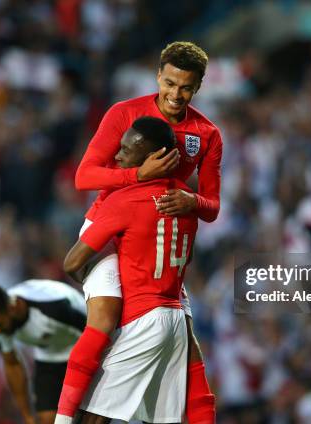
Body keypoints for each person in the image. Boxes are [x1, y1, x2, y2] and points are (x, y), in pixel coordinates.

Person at [57, 41, 219, 423]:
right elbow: (85, 175)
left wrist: (192, 202)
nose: (175, 94)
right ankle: (64, 418)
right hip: (110, 227)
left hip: (157, 234)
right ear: (158, 75)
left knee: (185, 338)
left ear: (198, 86)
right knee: (106, 319)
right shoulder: (124, 113)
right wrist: (136, 175)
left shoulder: (207, 133)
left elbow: (212, 206)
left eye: (186, 87)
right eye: (169, 83)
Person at [56, 116, 198, 423]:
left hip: (142, 321)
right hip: (174, 320)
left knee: (93, 417)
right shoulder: (187, 202)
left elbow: (71, 262)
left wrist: (94, 279)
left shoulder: (125, 199)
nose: (117, 156)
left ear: (152, 157)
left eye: (126, 150)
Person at [0, 280, 87, 424]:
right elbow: (12, 364)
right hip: (49, 354)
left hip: (84, 348)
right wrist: (27, 416)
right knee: (47, 420)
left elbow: (95, 331)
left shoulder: (53, 308)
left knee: (88, 416)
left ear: (13, 309)